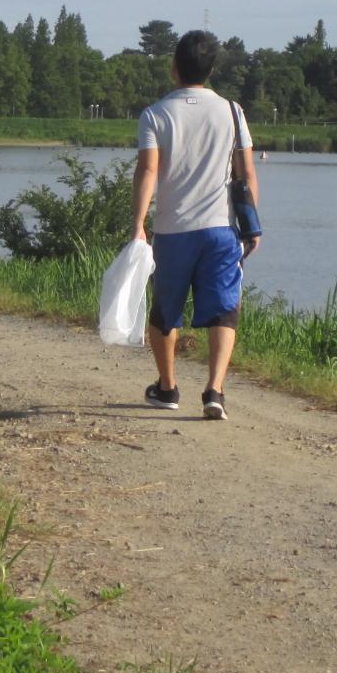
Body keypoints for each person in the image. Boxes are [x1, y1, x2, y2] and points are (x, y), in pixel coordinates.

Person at [129, 30, 261, 419]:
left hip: (172, 230)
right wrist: (251, 224)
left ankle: (167, 388)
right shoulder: (233, 112)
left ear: (174, 68)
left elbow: (148, 169)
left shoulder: (155, 114)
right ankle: (215, 391)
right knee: (224, 310)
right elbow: (247, 172)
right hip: (221, 229)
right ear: (212, 69)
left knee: (165, 310)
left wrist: (138, 224)